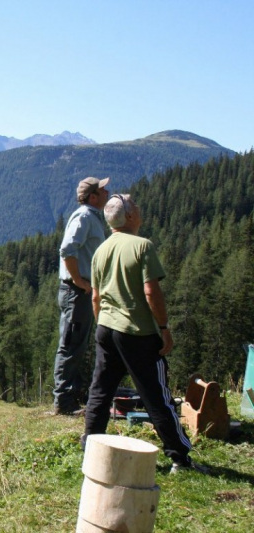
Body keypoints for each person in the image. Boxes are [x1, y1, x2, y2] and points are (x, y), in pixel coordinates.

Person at [82, 194, 207, 474]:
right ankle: (180, 458)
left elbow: (95, 297)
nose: (139, 208)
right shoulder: (142, 246)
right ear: (129, 216)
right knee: (156, 396)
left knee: (100, 391)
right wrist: (163, 328)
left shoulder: (101, 250)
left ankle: (90, 449)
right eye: (135, 205)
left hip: (106, 328)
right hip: (137, 333)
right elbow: (151, 292)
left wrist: (102, 325)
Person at [51, 177, 110, 415]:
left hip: (81, 291)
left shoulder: (91, 216)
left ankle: (71, 398)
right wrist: (78, 280)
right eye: (103, 190)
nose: (108, 192)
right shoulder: (85, 217)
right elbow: (67, 249)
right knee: (71, 345)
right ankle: (64, 402)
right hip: (76, 292)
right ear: (93, 196)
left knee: (77, 344)